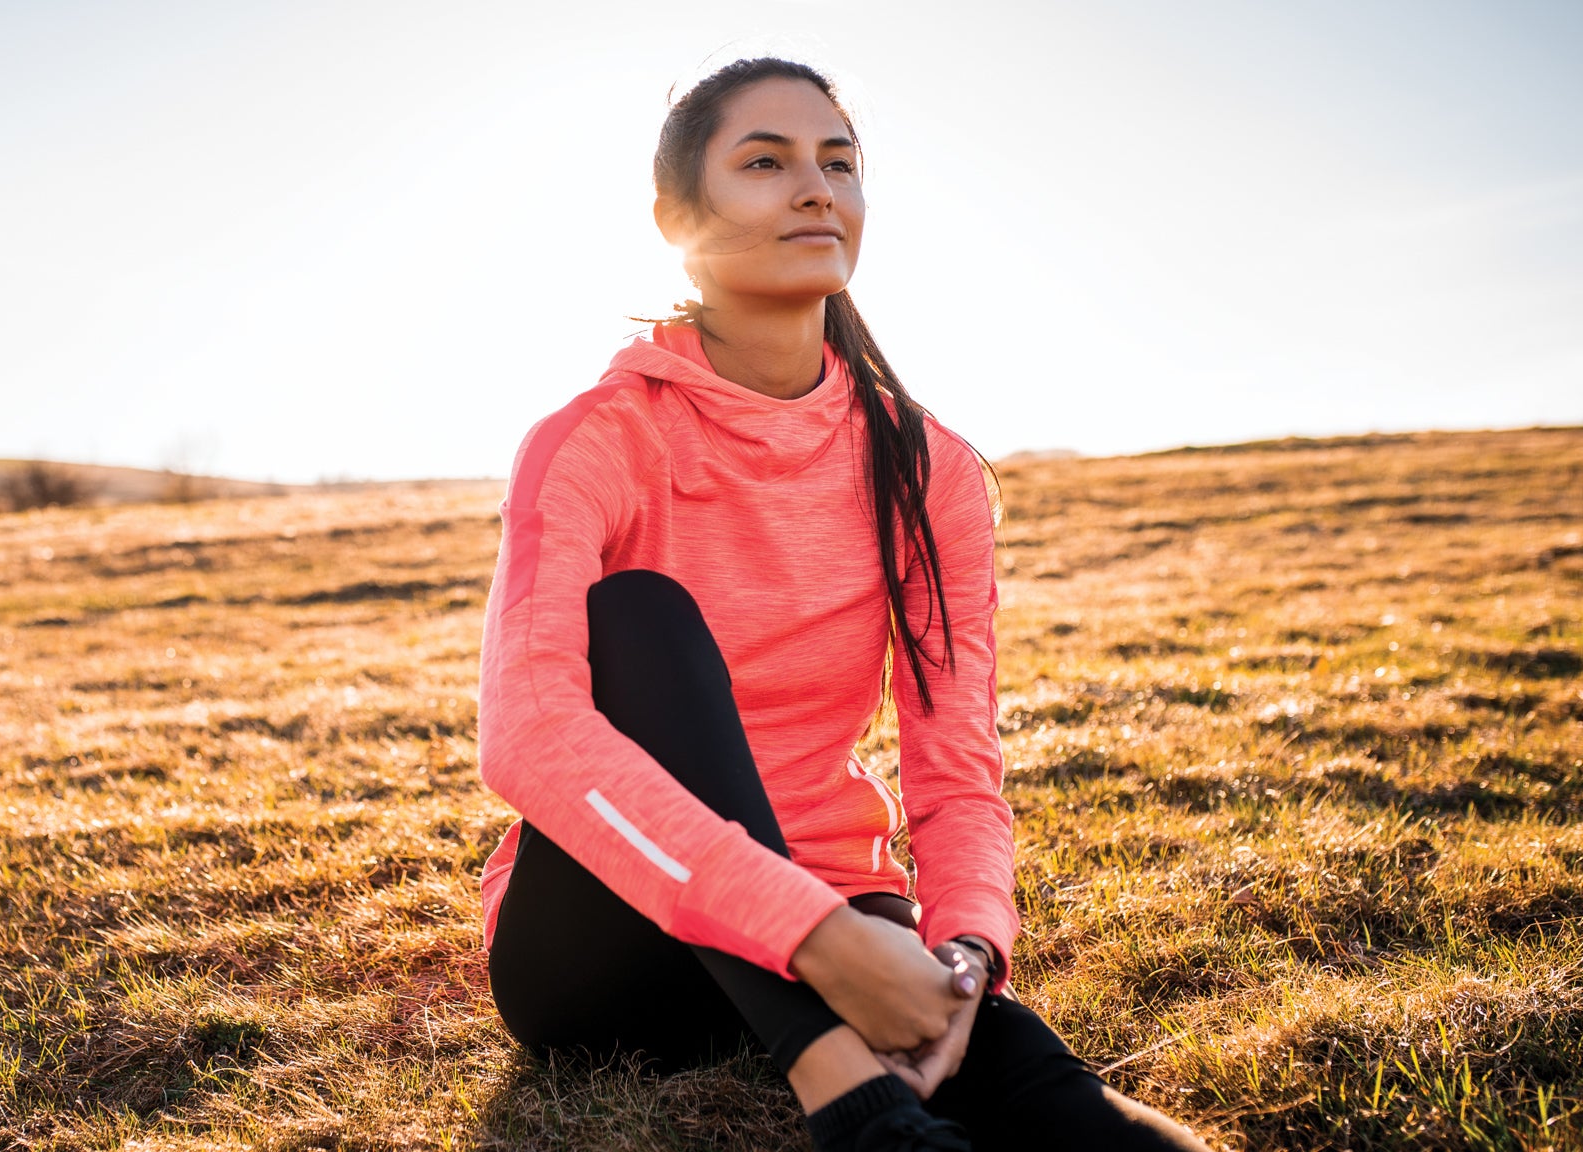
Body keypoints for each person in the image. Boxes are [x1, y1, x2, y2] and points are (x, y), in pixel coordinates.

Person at [473, 57, 1212, 1152]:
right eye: (764, 162)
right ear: (677, 216)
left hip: (851, 925)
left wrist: (964, 952)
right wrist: (807, 930)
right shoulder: (598, 438)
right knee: (639, 620)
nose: (816, 188)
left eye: (837, 162)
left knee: (1065, 1109)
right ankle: (849, 1102)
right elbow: (528, 733)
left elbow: (954, 765)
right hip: (602, 953)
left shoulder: (925, 467)